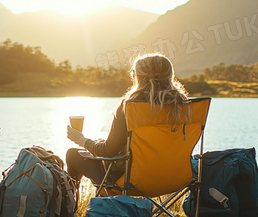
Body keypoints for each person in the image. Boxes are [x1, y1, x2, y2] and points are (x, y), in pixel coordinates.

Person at [65, 53, 190, 188]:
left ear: (139, 77)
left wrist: (81, 140)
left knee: (72, 154)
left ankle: (69, 206)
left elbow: (107, 152)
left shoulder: (130, 106)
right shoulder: (184, 106)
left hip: (130, 180)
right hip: (173, 177)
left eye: (133, 73)